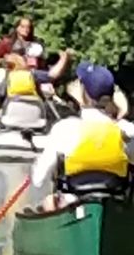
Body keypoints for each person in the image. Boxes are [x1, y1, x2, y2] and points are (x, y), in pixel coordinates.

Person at [29, 62, 134, 209]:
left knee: (48, 201)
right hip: (116, 205)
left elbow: (38, 179)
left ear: (83, 94)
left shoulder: (64, 129)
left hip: (73, 203)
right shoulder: (127, 130)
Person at [0, 51, 56, 136]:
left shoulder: (5, 76)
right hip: (36, 122)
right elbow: (52, 76)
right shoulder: (33, 75)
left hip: (9, 120)